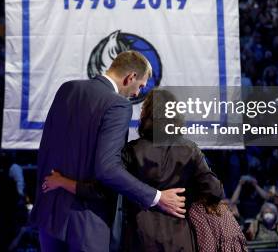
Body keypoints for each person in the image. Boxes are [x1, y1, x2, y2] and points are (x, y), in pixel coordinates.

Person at [31, 51, 187, 252]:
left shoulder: (67, 89)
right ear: (130, 77)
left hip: (50, 216)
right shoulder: (118, 105)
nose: (138, 94)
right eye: (140, 86)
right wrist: (157, 197)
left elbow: (47, 148)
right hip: (86, 225)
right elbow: (108, 169)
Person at [42, 89, 224, 252]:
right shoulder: (190, 150)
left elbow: (101, 190)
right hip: (181, 241)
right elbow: (215, 191)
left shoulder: (131, 151)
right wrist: (186, 196)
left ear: (146, 114)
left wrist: (62, 182)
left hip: (140, 240)